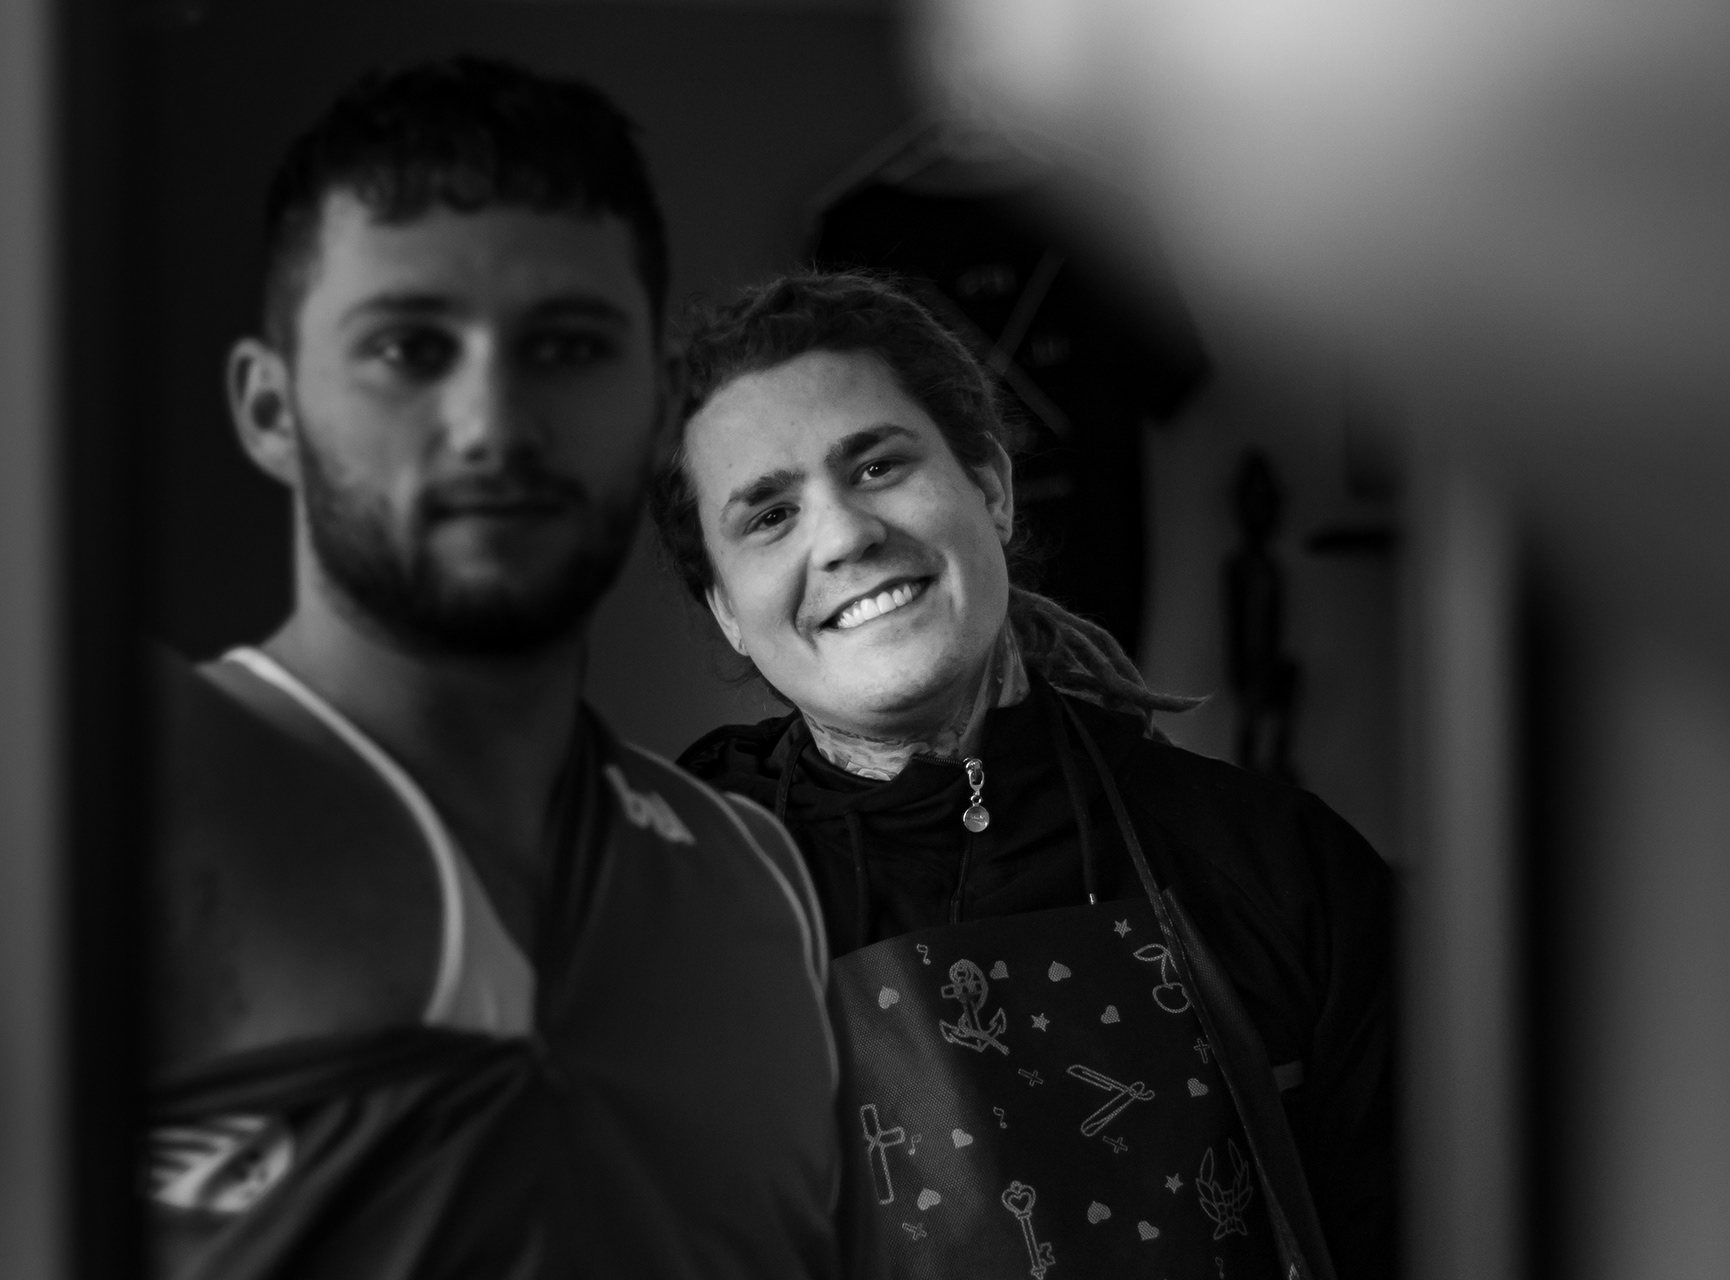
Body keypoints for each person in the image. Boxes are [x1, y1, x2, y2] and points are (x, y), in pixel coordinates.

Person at [146, 59, 838, 1280]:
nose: (495, 422)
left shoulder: (756, 877)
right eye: (408, 346)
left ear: (657, 407)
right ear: (269, 407)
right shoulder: (119, 776)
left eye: (567, 346)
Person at [657, 272, 1396, 1280]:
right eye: (771, 514)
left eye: (876, 465)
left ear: (992, 489)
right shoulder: (655, 910)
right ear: (727, 612)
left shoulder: (1282, 870)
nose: (844, 534)